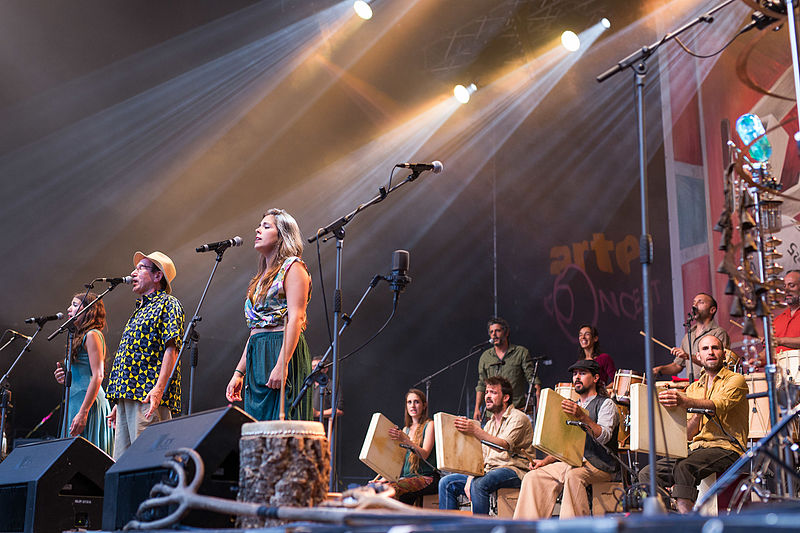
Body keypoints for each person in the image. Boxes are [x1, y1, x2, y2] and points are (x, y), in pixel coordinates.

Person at [639, 335, 748, 513]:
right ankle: (665, 521)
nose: (710, 352)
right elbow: (689, 434)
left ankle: (689, 524)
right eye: (705, 349)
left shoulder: (735, 380)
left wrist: (686, 402)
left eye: (715, 348)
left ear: (724, 354)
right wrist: (694, 413)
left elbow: (718, 405)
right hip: (697, 448)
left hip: (728, 447)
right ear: (698, 356)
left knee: (684, 467)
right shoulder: (694, 388)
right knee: (647, 473)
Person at [227, 208, 312, 421]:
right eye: (259, 226)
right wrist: (239, 372)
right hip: (258, 352)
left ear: (282, 235)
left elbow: (296, 318)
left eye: (266, 226)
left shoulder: (293, 267)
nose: (258, 230)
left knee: (282, 423)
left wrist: (282, 364)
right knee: (256, 425)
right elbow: (256, 329)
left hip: (280, 348)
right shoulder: (259, 278)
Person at [513, 359, 619, 519]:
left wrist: (583, 417)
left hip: (601, 465)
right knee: (533, 477)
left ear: (596, 378)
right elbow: (565, 445)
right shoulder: (573, 405)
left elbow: (604, 437)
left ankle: (571, 528)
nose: (577, 377)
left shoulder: (605, 404)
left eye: (582, 373)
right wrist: (545, 461)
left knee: (573, 476)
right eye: (575, 374)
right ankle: (525, 528)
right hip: (574, 463)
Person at [106, 251, 184, 459]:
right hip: (128, 397)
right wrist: (120, 401)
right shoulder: (140, 310)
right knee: (122, 464)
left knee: (147, 461)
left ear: (158, 276)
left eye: (141, 268)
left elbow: (172, 348)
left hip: (146, 395)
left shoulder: (168, 304)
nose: (133, 273)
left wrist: (158, 389)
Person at [440, 376, 535, 514]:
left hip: (514, 470)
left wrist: (475, 430)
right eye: (486, 392)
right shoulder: (489, 424)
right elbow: (481, 458)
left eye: (493, 392)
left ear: (506, 398)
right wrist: (471, 477)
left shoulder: (518, 417)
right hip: (489, 471)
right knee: (447, 483)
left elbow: (503, 446)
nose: (488, 396)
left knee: (480, 484)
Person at [53, 292, 114, 456]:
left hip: (88, 402)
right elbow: (81, 373)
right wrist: (65, 378)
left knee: (86, 457)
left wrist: (83, 412)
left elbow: (98, 375)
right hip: (76, 401)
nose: (68, 309)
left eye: (74, 304)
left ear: (88, 310)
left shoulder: (93, 335)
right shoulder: (77, 337)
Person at [381, 389, 438, 505]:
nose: (412, 405)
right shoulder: (405, 430)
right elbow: (398, 461)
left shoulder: (429, 425)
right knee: (377, 487)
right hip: (408, 478)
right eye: (409, 402)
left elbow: (424, 454)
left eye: (416, 402)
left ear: (424, 405)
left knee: (393, 488)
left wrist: (406, 440)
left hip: (427, 477)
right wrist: (383, 479)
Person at [653, 293, 730, 378]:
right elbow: (677, 366)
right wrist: (660, 369)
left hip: (712, 386)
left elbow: (719, 363)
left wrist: (688, 356)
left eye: (700, 302)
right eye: (694, 302)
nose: (695, 305)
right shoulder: (688, 335)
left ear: (712, 310)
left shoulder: (718, 333)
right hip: (692, 387)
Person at [474, 318, 537, 420]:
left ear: (506, 332)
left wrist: (538, 401)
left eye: (498, 331)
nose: (494, 334)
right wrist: (477, 408)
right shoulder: (485, 357)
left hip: (516, 411)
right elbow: (481, 384)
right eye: (491, 332)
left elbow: (533, 380)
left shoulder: (520, 352)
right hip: (493, 415)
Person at [310, 356, 343, 427]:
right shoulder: (309, 385)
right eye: (312, 366)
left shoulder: (332, 385)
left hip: (325, 429)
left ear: (325, 369)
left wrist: (317, 414)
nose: (313, 369)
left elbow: (339, 410)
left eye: (316, 366)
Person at [773, 270, 800, 352]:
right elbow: (770, 351)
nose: (786, 290)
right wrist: (759, 358)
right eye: (784, 286)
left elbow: (778, 341)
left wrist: (781, 340)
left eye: (791, 285)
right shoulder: (777, 320)